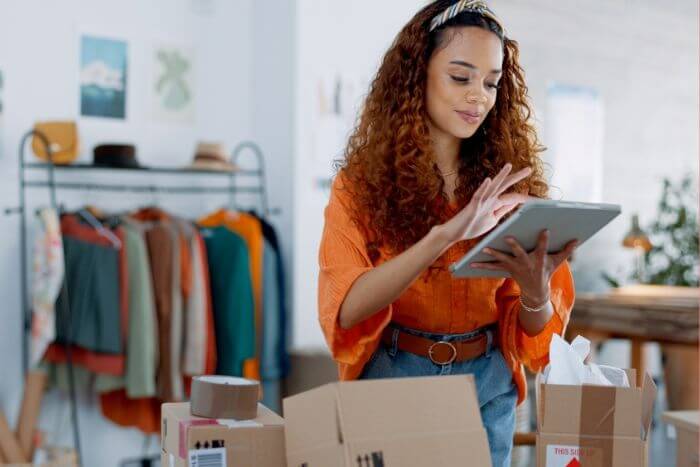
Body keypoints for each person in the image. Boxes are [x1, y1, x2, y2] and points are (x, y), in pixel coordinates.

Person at [317, 1, 578, 465]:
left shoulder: (513, 188)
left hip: (487, 385)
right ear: (417, 75)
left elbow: (534, 340)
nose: (478, 95)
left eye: (491, 82)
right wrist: (445, 235)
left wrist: (537, 294)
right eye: (461, 77)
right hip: (395, 380)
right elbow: (346, 309)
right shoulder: (359, 188)